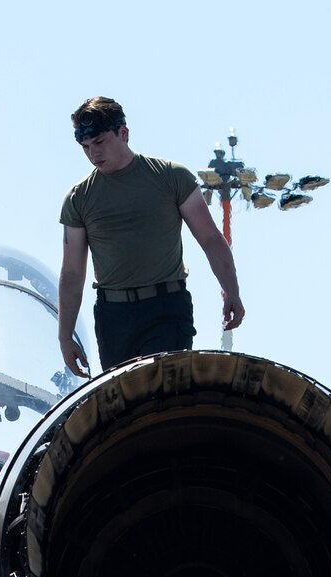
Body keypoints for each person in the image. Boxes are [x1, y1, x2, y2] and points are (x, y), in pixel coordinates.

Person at [57, 96, 245, 376]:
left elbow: (210, 239)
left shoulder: (171, 177)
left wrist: (231, 290)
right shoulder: (79, 198)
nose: (93, 153)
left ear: (123, 133)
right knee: (126, 409)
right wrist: (65, 335)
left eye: (99, 143)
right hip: (113, 317)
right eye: (85, 147)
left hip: (166, 307)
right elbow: (72, 272)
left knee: (163, 393)